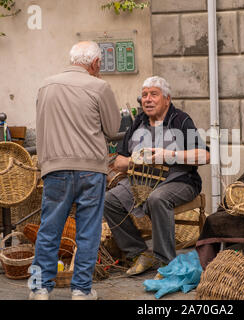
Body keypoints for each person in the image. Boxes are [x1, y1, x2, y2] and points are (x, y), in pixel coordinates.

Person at [29, 41, 121, 300]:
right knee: (88, 231)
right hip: (90, 169)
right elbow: (113, 130)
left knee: (48, 229)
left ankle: (38, 289)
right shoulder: (99, 86)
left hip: (55, 168)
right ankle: (81, 290)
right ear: (95, 63)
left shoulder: (46, 85)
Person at [104, 76, 210, 278]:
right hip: (142, 181)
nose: (147, 99)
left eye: (154, 94)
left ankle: (165, 261)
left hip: (180, 179)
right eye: (144, 95)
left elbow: (204, 156)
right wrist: (137, 161)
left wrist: (169, 155)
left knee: (157, 198)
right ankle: (139, 253)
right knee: (109, 200)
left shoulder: (180, 120)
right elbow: (118, 161)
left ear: (167, 99)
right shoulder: (139, 122)